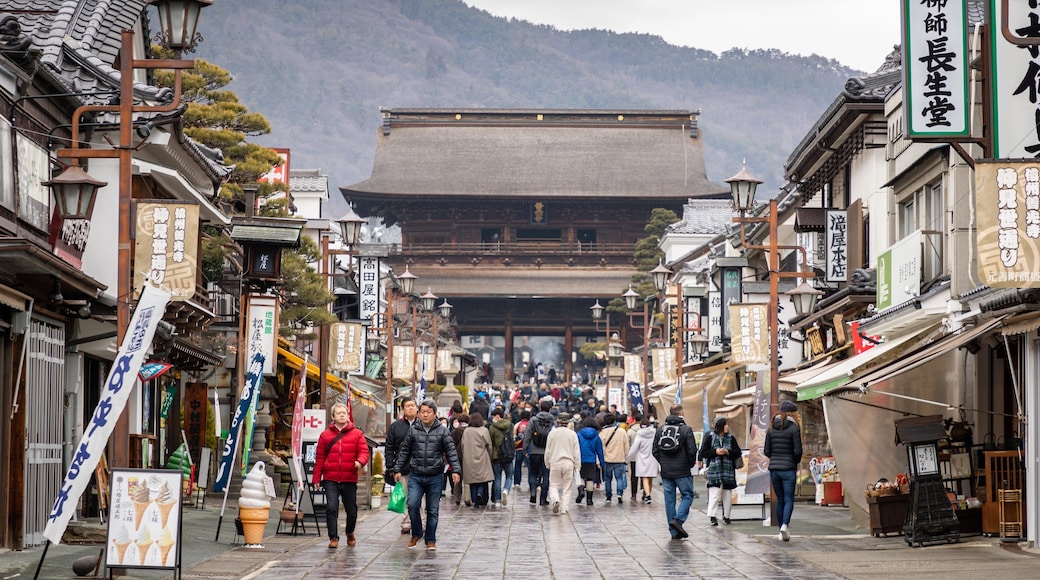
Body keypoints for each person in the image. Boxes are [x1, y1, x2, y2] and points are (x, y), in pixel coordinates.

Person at [392, 399, 462, 551]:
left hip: (435, 475)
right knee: (412, 504)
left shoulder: (443, 430)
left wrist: (456, 470)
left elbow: (451, 451)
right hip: (415, 474)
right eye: (422, 412)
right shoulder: (414, 429)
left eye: (428, 412)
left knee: (432, 509)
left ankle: (430, 539)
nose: (424, 415)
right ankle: (416, 532)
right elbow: (405, 451)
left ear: (435, 414)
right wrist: (397, 469)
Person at [312, 402, 369, 549]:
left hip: (349, 477)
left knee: (351, 510)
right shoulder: (325, 435)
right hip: (330, 478)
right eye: (339, 413)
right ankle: (333, 537)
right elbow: (319, 458)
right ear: (333, 417)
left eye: (344, 412)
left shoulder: (357, 434)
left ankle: (350, 532)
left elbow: (364, 452)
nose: (342, 415)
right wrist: (316, 478)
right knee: (331, 507)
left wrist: (360, 462)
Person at [652, 404, 698, 540]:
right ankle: (678, 520)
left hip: (666, 472)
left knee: (669, 500)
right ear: (681, 413)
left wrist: (663, 463)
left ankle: (674, 532)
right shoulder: (686, 430)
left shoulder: (660, 430)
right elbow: (692, 450)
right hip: (682, 470)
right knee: (688, 495)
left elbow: (654, 450)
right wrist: (689, 464)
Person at [765, 400, 803, 542]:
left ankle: (780, 528)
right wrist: (794, 461)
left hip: (774, 469)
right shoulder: (794, 429)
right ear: (792, 414)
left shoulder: (771, 428)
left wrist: (774, 458)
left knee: (780, 499)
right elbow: (798, 450)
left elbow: (766, 450)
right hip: (788, 469)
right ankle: (785, 525)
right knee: (788, 499)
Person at [699, 416, 742, 526]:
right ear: (720, 426)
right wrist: (716, 452)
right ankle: (712, 516)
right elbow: (704, 452)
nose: (727, 427)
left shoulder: (731, 438)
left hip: (728, 469)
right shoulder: (710, 437)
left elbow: (738, 452)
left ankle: (727, 516)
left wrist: (728, 452)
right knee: (714, 493)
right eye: (725, 424)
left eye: (727, 424)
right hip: (714, 469)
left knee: (727, 493)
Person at [383, 397, 417, 535]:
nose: (410, 408)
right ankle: (406, 523)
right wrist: (391, 467)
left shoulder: (422, 424)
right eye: (407, 405)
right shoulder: (396, 426)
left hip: (420, 467)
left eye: (413, 405)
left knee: (420, 497)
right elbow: (389, 448)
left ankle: (422, 522)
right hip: (402, 467)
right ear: (403, 409)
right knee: (404, 496)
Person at [544, 412, 580, 515]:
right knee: (567, 487)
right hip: (568, 462)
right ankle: (564, 508)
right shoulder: (572, 434)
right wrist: (577, 465)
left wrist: (547, 463)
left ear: (558, 422)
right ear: (568, 422)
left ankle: (555, 499)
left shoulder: (552, 433)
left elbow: (548, 450)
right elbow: (576, 451)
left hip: (555, 461)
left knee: (554, 485)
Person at [523, 400, 556, 505]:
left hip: (534, 451)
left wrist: (525, 449)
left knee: (533, 473)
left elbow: (528, 434)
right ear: (550, 409)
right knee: (546, 475)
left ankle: (533, 493)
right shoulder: (552, 421)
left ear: (540, 408)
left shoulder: (533, 420)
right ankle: (543, 498)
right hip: (547, 452)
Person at [460, 412, 494, 508]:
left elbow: (462, 445)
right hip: (482, 457)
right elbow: (489, 446)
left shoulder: (466, 431)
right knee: (482, 479)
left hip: (468, 458)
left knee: (472, 481)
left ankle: (475, 501)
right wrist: (490, 457)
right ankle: (480, 493)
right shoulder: (484, 430)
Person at [626, 417, 660, 504]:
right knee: (650, 478)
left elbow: (634, 448)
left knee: (644, 477)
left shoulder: (639, 435)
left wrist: (627, 459)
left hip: (642, 459)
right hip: (653, 458)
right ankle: (647, 494)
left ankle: (647, 495)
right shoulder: (654, 433)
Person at [599, 413, 630, 504]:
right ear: (614, 421)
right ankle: (619, 494)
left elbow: (601, 447)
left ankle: (609, 497)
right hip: (619, 458)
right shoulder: (622, 431)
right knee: (619, 478)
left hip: (607, 459)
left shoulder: (603, 432)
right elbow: (626, 445)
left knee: (608, 479)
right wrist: (625, 456)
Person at [488, 407, 515, 507]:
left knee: (497, 477)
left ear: (497, 416)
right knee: (509, 476)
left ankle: (497, 500)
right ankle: (506, 490)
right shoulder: (510, 425)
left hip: (497, 456)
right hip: (508, 454)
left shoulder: (492, 427)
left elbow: (490, 442)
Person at [576, 416, 605, 506]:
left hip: (580, 459)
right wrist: (602, 463)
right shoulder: (596, 435)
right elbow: (600, 451)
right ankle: (589, 500)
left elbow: (575, 447)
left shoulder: (579, 434)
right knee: (590, 479)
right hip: (591, 460)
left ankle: (581, 490)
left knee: (580, 477)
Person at [450, 414, 469, 506]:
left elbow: (451, 444)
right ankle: (467, 498)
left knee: (458, 478)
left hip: (457, 457)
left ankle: (457, 497)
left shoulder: (456, 431)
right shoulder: (470, 431)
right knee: (467, 478)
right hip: (468, 457)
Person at [512, 409, 531, 489]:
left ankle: (517, 483)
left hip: (519, 448)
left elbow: (514, 436)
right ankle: (531, 483)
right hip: (528, 449)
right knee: (530, 467)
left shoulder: (517, 425)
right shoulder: (531, 424)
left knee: (517, 466)